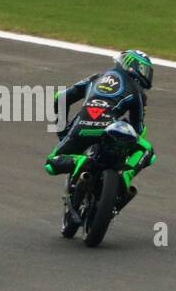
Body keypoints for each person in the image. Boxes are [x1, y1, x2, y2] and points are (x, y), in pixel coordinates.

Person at [45, 49, 155, 207]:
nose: (146, 76)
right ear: (132, 66)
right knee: (148, 151)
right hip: (110, 129)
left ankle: (78, 160)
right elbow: (138, 129)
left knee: (51, 164)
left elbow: (60, 99)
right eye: (145, 70)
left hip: (80, 128)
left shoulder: (95, 78)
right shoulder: (137, 93)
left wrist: (63, 132)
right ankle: (126, 173)